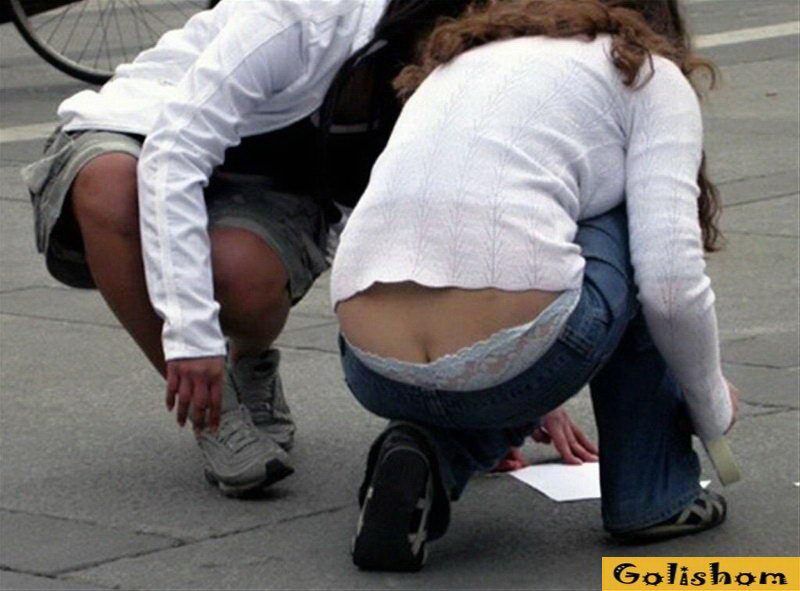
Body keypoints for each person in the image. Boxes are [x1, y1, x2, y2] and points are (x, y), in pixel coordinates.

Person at [331, 0, 742, 571]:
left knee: (531, 233)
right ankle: (654, 496)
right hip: (515, 351)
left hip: (371, 365)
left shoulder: (462, 57)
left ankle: (430, 456)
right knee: (631, 224)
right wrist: (712, 406)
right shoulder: (644, 72)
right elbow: (670, 287)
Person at [22, 0, 491, 496]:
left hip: (270, 172)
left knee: (244, 278)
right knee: (109, 183)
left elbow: (454, 221)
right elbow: (174, 155)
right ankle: (216, 412)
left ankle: (250, 362)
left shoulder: (476, 61)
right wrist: (192, 339)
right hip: (151, 130)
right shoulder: (298, 15)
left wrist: (493, 404)